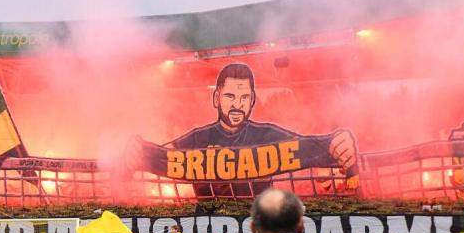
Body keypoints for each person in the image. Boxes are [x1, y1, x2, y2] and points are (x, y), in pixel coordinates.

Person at [126, 63, 356, 197]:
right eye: (230, 96)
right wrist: (136, 153)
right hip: (208, 225)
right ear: (217, 98)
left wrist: (337, 143)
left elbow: (308, 147)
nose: (237, 104)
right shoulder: (199, 137)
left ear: (253, 100)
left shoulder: (267, 134)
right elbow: (163, 154)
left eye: (244, 97)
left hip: (258, 225)